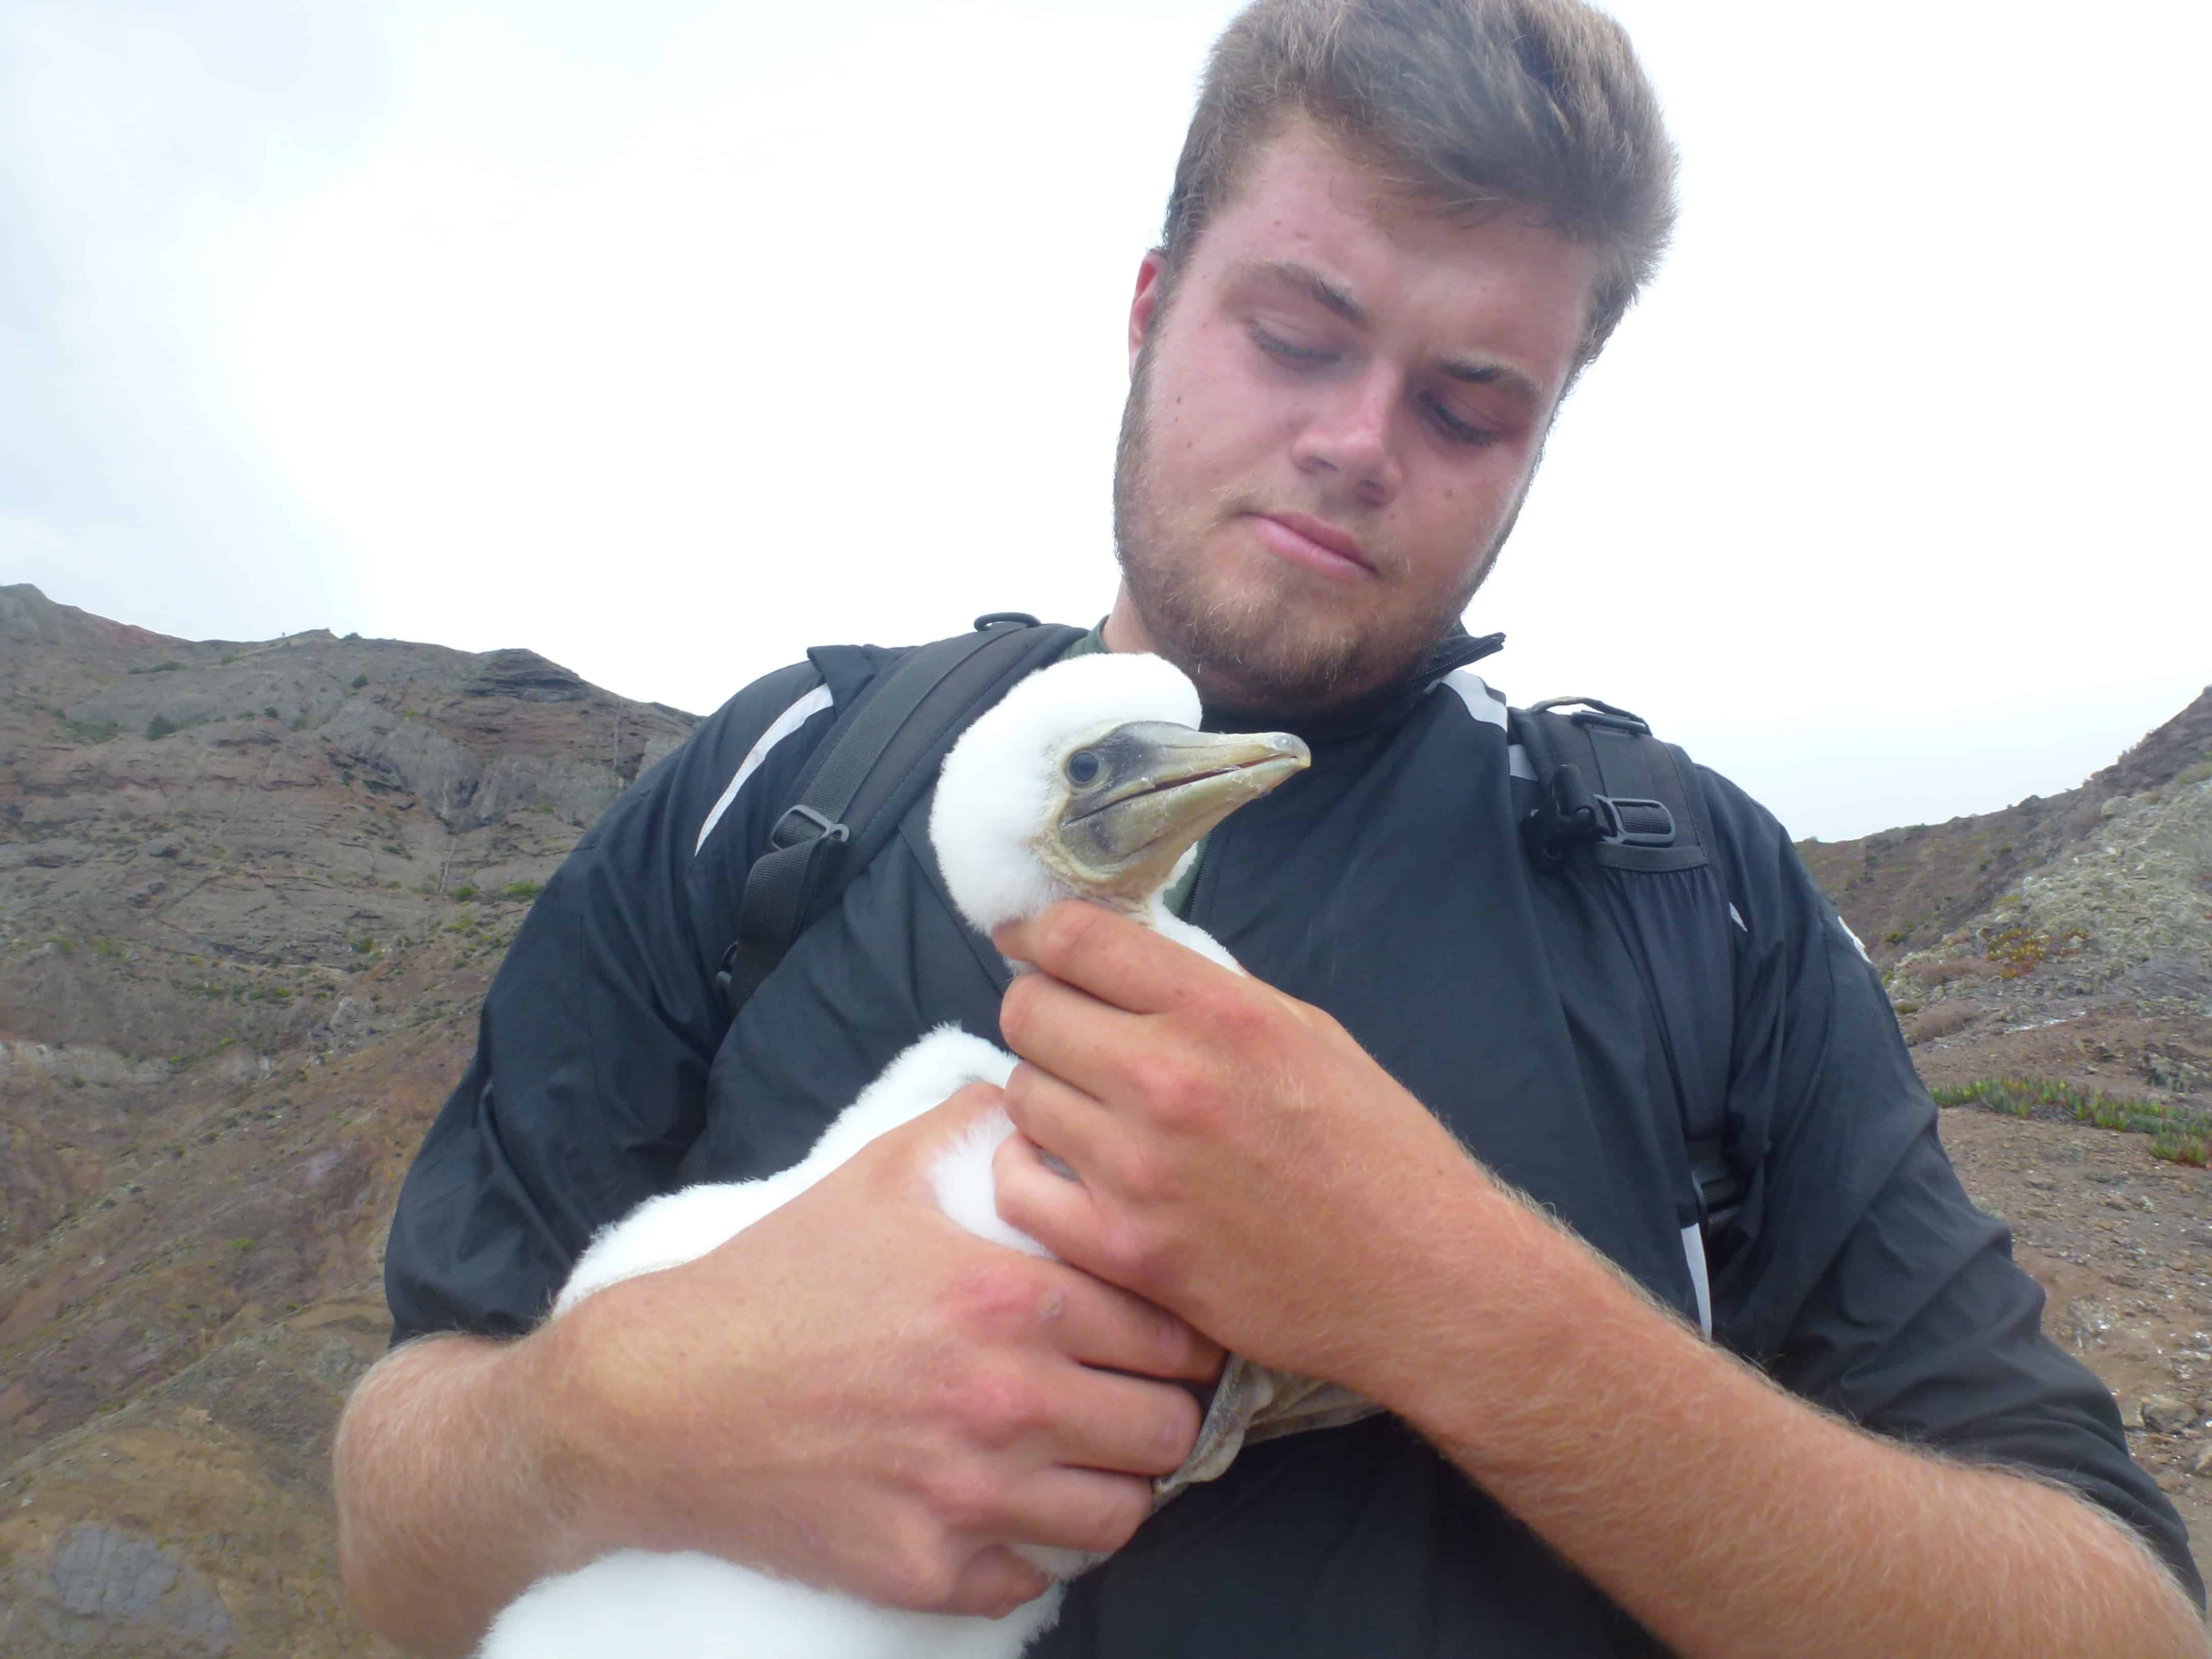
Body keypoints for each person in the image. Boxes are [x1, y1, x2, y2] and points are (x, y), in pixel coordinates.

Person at [333, 2, 2208, 1653]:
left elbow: (2118, 1623)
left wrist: (1450, 1300)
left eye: (1473, 403)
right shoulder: (786, 784)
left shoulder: (1702, 902)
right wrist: (610, 1416)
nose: (1358, 441)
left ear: (1543, 439)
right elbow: (393, 1534)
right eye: (1298, 335)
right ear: (1151, 310)